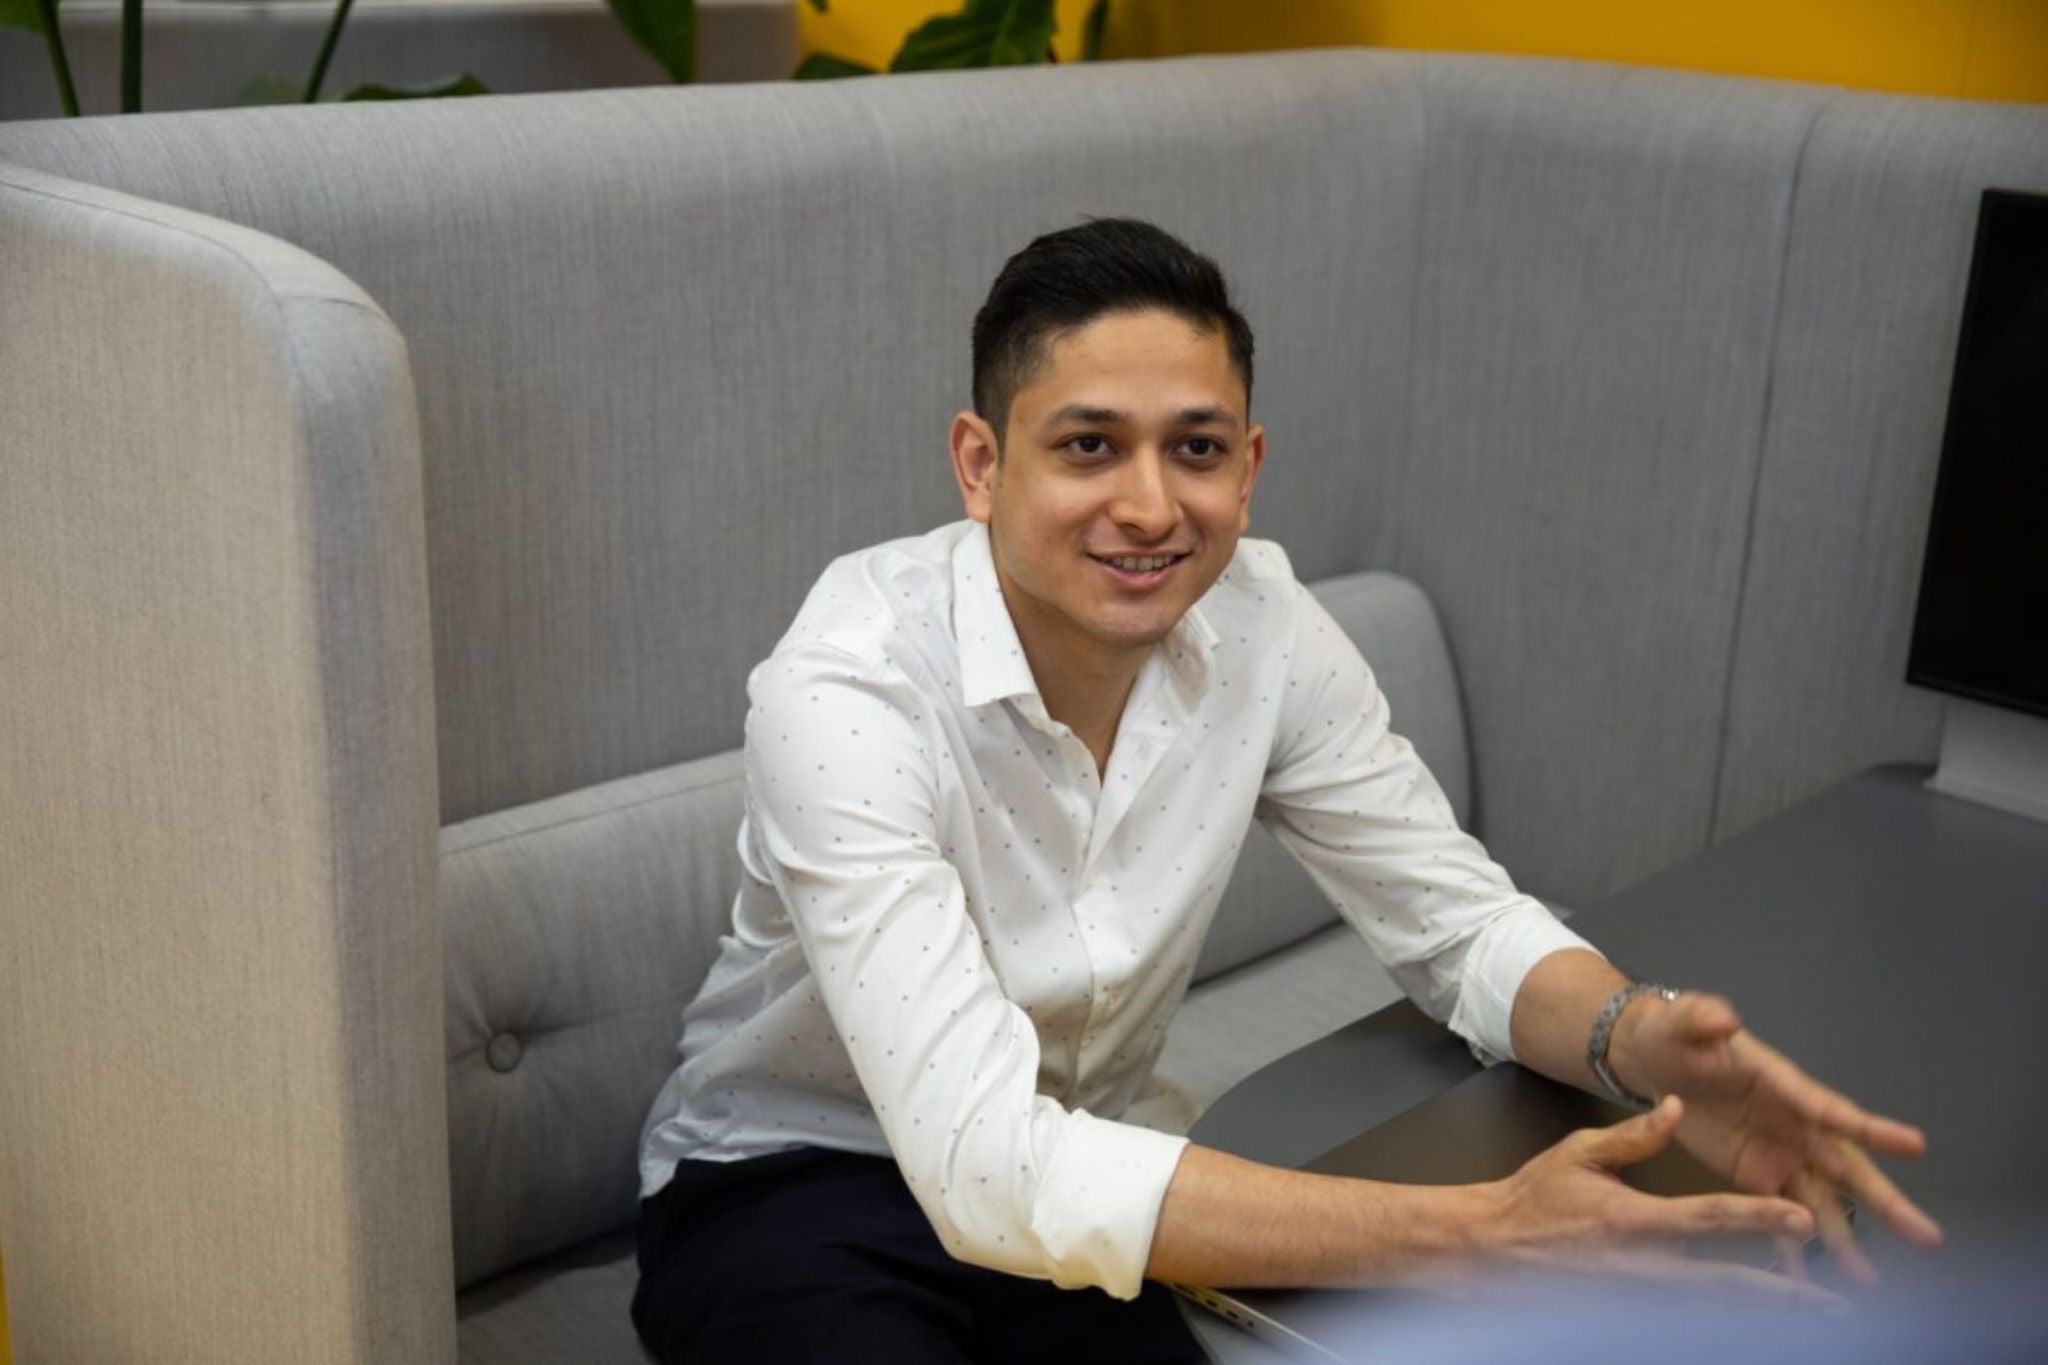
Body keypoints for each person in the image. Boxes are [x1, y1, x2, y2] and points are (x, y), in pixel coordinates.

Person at [631, 218, 1942, 1362]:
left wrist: (1629, 1035)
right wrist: (1477, 1232)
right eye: (1089, 444)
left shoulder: (1263, 621)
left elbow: (1457, 923)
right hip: (792, 1178)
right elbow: (985, 1170)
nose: (1148, 504)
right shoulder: (847, 682)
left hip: (1091, 1160)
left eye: (1193, 449)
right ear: (981, 463)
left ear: (1247, 466)